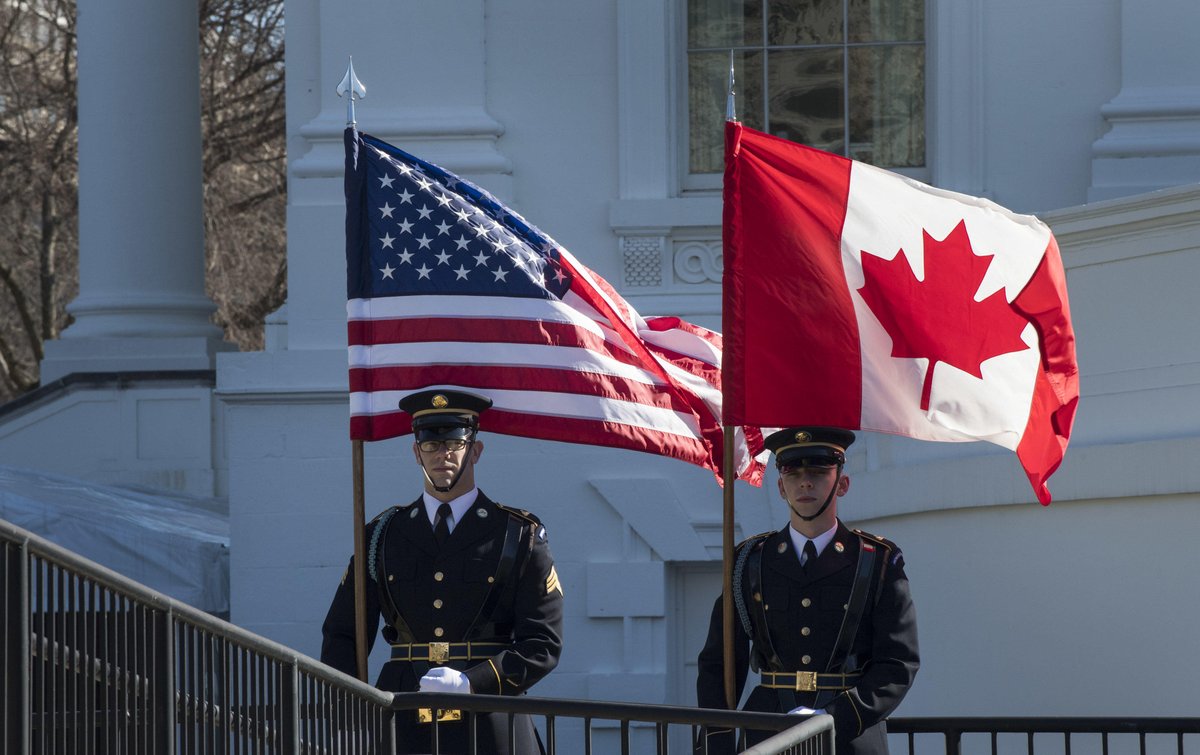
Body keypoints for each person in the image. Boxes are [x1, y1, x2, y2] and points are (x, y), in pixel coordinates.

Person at [321, 389, 564, 755]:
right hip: (402, 715)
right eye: (431, 446)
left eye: (454, 443)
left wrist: (474, 682)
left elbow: (542, 643)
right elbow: (343, 635)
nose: (442, 455)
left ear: (476, 451)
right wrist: (346, 717)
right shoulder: (380, 536)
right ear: (416, 452)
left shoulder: (517, 534)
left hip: (490, 717)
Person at [695, 427, 918, 755]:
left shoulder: (876, 561)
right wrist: (719, 741)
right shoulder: (750, 561)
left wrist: (832, 719)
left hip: (849, 735)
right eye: (792, 472)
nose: (805, 482)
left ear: (842, 483)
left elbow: (898, 663)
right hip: (767, 733)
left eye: (817, 470)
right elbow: (720, 662)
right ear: (780, 487)